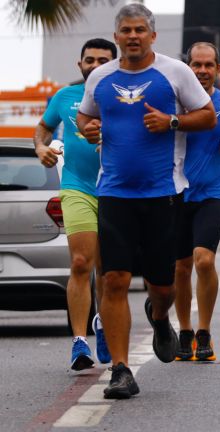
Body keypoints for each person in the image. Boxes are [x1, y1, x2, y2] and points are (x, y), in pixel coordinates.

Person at [77, 3, 216, 399]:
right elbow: (86, 118)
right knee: (114, 279)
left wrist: (172, 122)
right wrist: (89, 129)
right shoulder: (101, 77)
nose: (133, 36)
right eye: (126, 30)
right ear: (117, 36)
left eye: (140, 30)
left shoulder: (175, 72)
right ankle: (121, 370)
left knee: (161, 285)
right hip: (113, 192)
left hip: (162, 194)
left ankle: (159, 318)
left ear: (153, 35)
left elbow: (206, 116)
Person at [34, 38, 117, 372]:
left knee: (110, 272)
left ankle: (105, 323)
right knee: (82, 262)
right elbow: (43, 129)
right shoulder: (64, 97)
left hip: (116, 190)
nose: (94, 65)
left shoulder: (127, 97)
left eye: (102, 60)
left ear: (113, 64)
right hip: (77, 187)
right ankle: (79, 342)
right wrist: (40, 147)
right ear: (79, 64)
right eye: (89, 60)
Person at [173, 42, 220, 362]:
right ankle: (184, 331)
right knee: (180, 266)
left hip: (212, 192)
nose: (202, 71)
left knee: (204, 260)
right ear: (187, 67)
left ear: (218, 68)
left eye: (208, 65)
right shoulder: (174, 101)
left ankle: (204, 331)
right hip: (175, 192)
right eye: (196, 65)